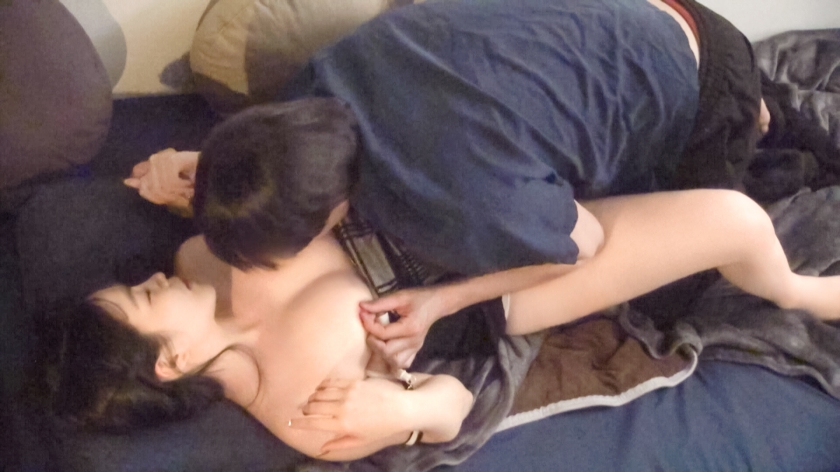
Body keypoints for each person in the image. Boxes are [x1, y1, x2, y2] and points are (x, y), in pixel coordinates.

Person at [125, 0, 768, 368]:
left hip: (703, 74)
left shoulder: (453, 202)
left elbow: (587, 243)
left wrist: (444, 302)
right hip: (628, 15)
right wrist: (210, 169)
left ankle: (752, 112)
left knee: (672, 303)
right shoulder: (319, 82)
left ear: (331, 215)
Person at [36, 187, 840, 462]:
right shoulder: (301, 409)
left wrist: (198, 175)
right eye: (141, 297)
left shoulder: (199, 251)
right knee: (735, 222)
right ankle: (800, 293)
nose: (149, 278)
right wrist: (407, 407)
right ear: (168, 362)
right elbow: (455, 406)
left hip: (441, 199)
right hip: (495, 286)